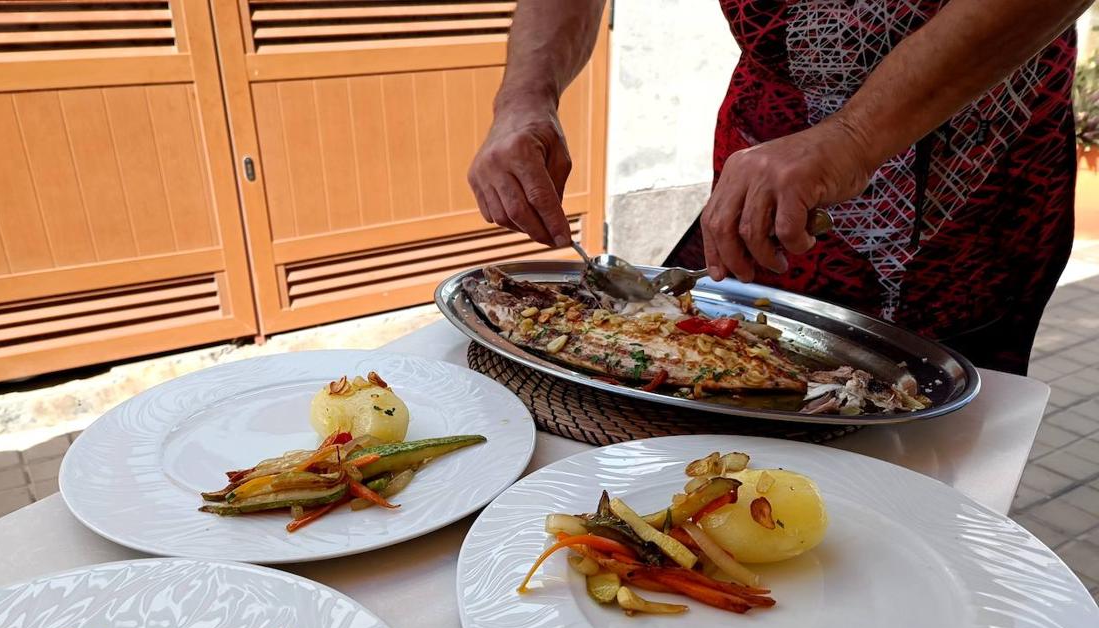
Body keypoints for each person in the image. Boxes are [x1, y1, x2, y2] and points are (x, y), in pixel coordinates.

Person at [467, 1, 1090, 375]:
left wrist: (853, 136)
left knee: (918, 429)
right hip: (769, 145)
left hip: (973, 165)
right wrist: (523, 96)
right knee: (702, 359)